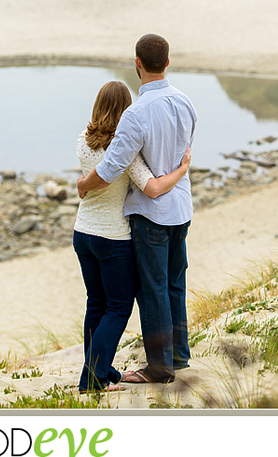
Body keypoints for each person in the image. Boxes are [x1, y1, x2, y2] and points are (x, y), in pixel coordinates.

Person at [77, 34, 197, 383]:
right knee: (175, 282)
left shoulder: (136, 113)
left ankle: (160, 367)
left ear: (137, 63)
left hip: (151, 212)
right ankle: (178, 354)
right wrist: (179, 171)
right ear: (168, 62)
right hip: (181, 208)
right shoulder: (186, 102)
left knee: (152, 289)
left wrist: (83, 184)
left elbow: (113, 167)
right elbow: (184, 151)